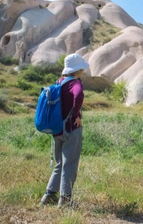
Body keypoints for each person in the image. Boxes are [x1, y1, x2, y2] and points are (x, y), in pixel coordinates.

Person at [40, 53, 89, 207]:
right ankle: (65, 201)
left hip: (57, 131)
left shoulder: (59, 82)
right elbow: (79, 95)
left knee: (59, 163)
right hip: (70, 129)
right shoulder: (75, 83)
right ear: (78, 69)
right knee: (70, 164)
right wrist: (76, 115)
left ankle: (48, 196)